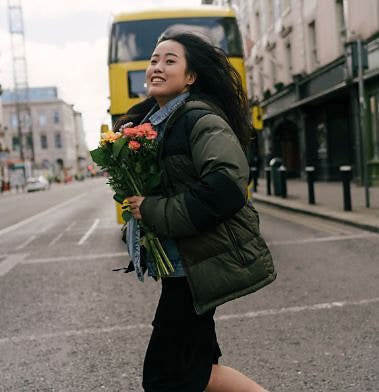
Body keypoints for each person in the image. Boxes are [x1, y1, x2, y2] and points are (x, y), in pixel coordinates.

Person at [125, 32, 273, 392]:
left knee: (166, 377)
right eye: (154, 60)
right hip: (183, 267)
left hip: (195, 268)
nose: (157, 67)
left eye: (170, 61)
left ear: (191, 77)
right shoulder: (157, 126)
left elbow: (226, 187)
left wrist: (153, 209)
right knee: (196, 370)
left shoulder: (199, 119)